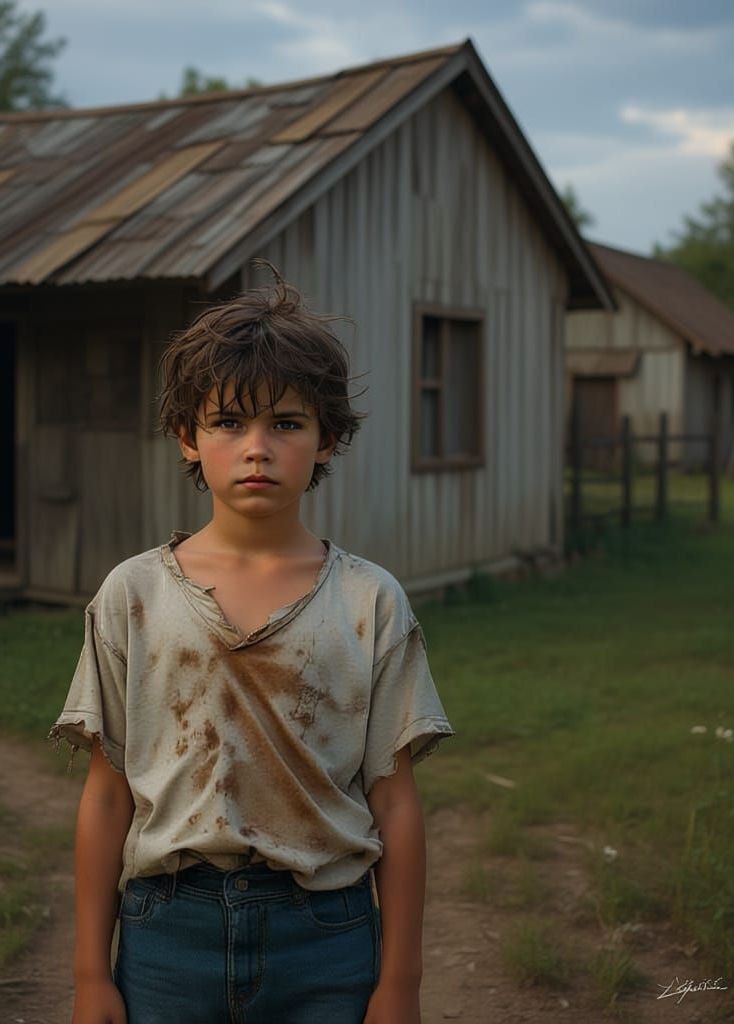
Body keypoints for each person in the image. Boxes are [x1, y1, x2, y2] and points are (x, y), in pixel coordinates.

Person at [49, 266, 454, 1024]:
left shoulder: (370, 602)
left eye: (287, 424)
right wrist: (87, 976)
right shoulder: (133, 596)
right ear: (188, 438)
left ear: (327, 437)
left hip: (327, 935)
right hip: (167, 932)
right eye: (229, 423)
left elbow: (394, 802)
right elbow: (107, 795)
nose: (257, 448)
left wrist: (400, 984)